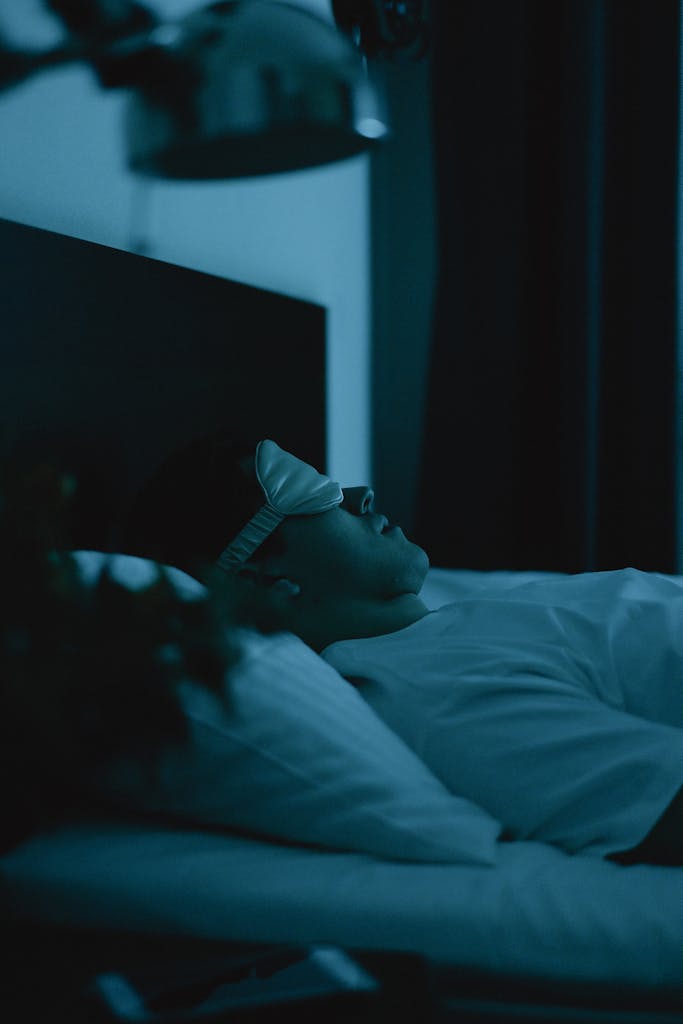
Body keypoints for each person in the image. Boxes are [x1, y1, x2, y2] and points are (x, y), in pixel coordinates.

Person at [125, 434, 683, 867]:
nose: (360, 495)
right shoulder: (430, 694)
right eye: (315, 495)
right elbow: (658, 808)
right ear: (260, 579)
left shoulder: (458, 630)